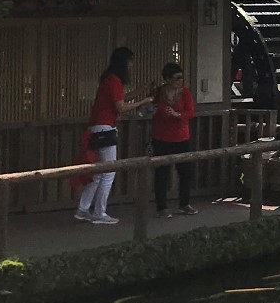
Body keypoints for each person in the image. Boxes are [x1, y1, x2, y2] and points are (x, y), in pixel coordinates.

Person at [75, 47, 148, 225]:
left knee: (99, 173)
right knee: (108, 172)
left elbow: (119, 100)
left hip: (97, 127)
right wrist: (143, 101)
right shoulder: (115, 80)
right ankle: (99, 212)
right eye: (129, 61)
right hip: (105, 128)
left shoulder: (108, 80)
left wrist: (140, 91)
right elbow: (121, 107)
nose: (131, 65)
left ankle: (83, 209)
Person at [149, 61, 198, 218]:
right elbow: (146, 109)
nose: (180, 81)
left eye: (182, 78)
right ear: (168, 79)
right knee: (161, 173)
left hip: (182, 137)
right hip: (161, 138)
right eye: (177, 78)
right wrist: (151, 110)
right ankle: (161, 207)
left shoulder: (185, 93)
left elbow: (191, 112)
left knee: (185, 172)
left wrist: (178, 115)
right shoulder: (158, 93)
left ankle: (184, 203)